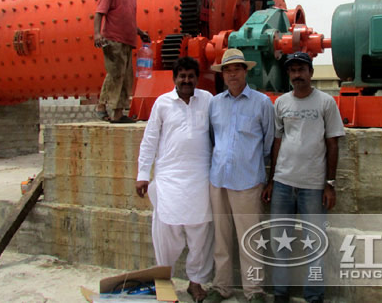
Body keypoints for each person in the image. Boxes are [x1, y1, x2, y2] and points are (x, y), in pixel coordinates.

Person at [261, 52, 346, 303]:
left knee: (314, 245)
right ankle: (281, 293)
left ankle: (314, 295)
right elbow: (277, 142)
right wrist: (271, 181)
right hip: (283, 185)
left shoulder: (326, 103)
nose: (297, 75)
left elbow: (333, 144)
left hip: (313, 187)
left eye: (301, 70)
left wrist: (329, 184)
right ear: (288, 74)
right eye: (292, 71)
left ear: (311, 72)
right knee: (280, 243)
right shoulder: (281, 103)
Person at [136, 57, 214, 301]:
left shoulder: (208, 100)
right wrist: (142, 175)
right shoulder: (162, 103)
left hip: (200, 179)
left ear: (197, 78)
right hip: (169, 178)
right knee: (165, 232)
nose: (186, 80)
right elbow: (149, 140)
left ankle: (196, 283)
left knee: (200, 234)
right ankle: (163, 281)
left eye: (191, 76)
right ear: (174, 79)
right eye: (182, 76)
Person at [206, 48, 274, 303]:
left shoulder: (262, 103)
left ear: (246, 72)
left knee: (251, 239)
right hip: (218, 180)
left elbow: (269, 143)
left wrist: (263, 175)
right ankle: (221, 287)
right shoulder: (215, 104)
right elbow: (213, 139)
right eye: (227, 70)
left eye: (237, 69)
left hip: (247, 182)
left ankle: (254, 291)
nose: (232, 74)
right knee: (221, 238)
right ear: (222, 75)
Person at [94, 0, 150, 123]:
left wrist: (140, 33)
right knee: (116, 74)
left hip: (127, 42)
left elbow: (129, 20)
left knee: (124, 77)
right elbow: (100, 12)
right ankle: (111, 110)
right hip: (113, 39)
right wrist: (97, 34)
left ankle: (110, 110)